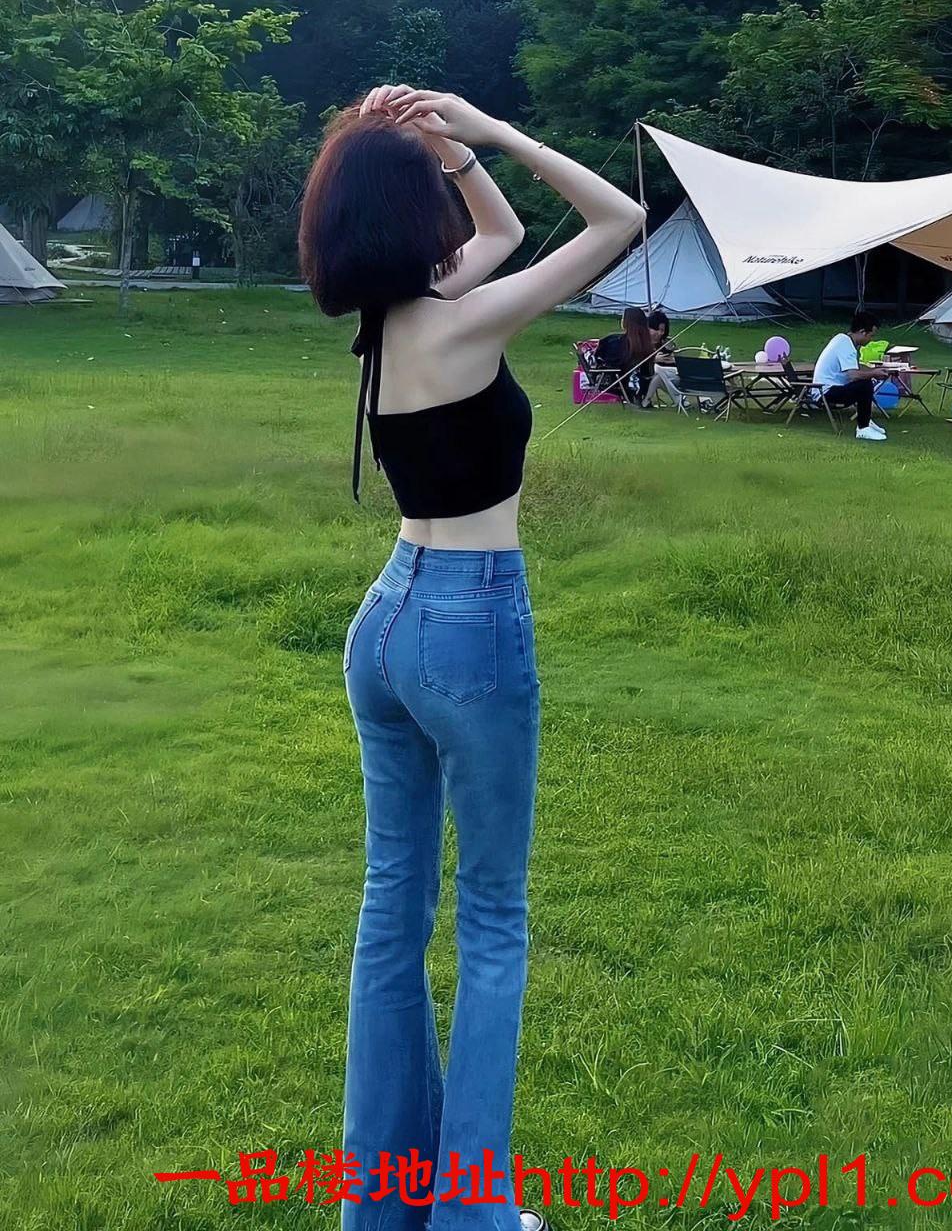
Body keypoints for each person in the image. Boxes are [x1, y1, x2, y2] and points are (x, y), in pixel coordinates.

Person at [299, 84, 644, 1231]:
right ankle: (471, 1218)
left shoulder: (396, 321)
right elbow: (617, 220)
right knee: (492, 918)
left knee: (391, 910)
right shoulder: (459, 320)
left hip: (386, 620)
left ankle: (381, 1207)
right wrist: (491, 130)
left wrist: (441, 151)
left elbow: (501, 231)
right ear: (408, 220)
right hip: (469, 618)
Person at [812, 310, 888, 441]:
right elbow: (853, 375)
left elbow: (855, 368)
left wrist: (875, 371)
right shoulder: (846, 345)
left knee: (865, 382)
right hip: (825, 392)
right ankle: (863, 428)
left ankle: (866, 421)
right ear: (862, 332)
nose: (871, 340)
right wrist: (873, 373)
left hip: (826, 389)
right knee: (864, 385)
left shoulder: (843, 340)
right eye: (871, 336)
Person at [595, 307, 656, 407]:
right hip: (643, 386)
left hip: (615, 383)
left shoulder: (614, 342)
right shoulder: (646, 345)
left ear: (626, 322)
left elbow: (600, 359)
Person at [641, 308, 688, 410]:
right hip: (647, 376)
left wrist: (674, 360)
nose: (659, 333)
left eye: (662, 330)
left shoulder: (667, 344)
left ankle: (681, 400)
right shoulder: (642, 343)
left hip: (673, 375)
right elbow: (638, 362)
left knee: (660, 373)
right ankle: (681, 400)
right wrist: (653, 359)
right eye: (656, 330)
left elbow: (681, 362)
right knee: (658, 374)